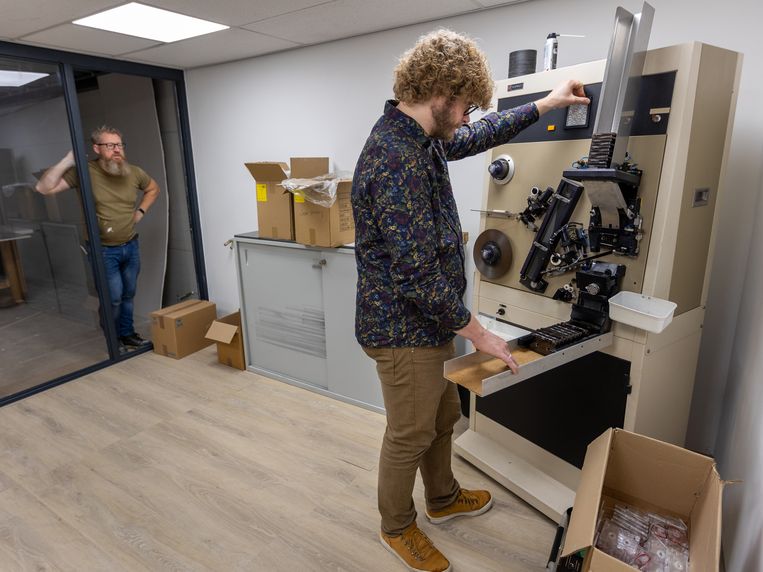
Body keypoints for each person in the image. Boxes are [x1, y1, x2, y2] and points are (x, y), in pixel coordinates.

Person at [351, 29, 589, 572]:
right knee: (410, 432)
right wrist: (479, 332)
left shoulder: (421, 137)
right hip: (400, 329)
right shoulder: (394, 157)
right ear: (439, 89)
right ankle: (397, 526)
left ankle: (440, 499)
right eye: (464, 106)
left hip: (428, 322)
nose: (466, 117)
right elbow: (413, 274)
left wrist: (546, 104)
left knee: (443, 416)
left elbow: (473, 138)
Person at [35, 125, 160, 350]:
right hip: (103, 249)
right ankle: (113, 340)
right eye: (110, 145)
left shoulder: (134, 172)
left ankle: (128, 334)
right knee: (113, 298)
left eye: (119, 145)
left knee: (129, 294)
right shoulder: (85, 173)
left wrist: (140, 212)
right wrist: (66, 161)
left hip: (130, 245)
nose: (116, 150)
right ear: (96, 148)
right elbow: (43, 188)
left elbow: (153, 188)